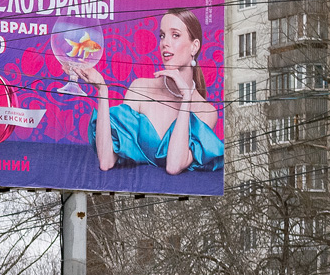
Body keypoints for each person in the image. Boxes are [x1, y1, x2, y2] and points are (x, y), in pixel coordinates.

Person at [80, 9, 224, 176]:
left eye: (175, 35)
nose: (165, 43)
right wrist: (102, 89)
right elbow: (106, 161)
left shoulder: (206, 112)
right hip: (130, 194)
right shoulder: (140, 88)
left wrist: (186, 97)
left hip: (170, 200)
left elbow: (174, 166)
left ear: (194, 46)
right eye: (162, 35)